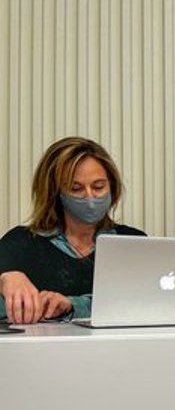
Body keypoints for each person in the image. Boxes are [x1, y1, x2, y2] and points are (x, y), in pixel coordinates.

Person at [0, 136, 145, 323]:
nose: (90, 198)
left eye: (98, 187)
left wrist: (72, 305)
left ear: (112, 186)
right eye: (76, 189)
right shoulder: (20, 243)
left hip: (117, 350)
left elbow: (141, 304)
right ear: (55, 193)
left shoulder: (132, 242)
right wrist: (6, 279)